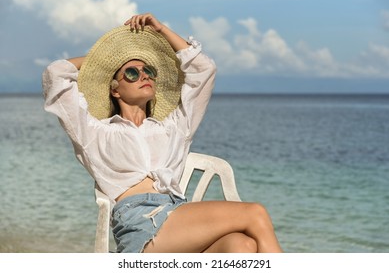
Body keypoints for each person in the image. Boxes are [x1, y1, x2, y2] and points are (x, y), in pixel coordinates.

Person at [42, 13, 282, 253]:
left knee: (242, 245)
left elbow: (204, 70)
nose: (144, 75)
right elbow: (56, 75)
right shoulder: (93, 133)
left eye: (149, 71)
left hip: (178, 219)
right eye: (132, 73)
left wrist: (162, 31)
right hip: (141, 226)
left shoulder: (174, 128)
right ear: (114, 90)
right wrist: (103, 63)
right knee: (255, 213)